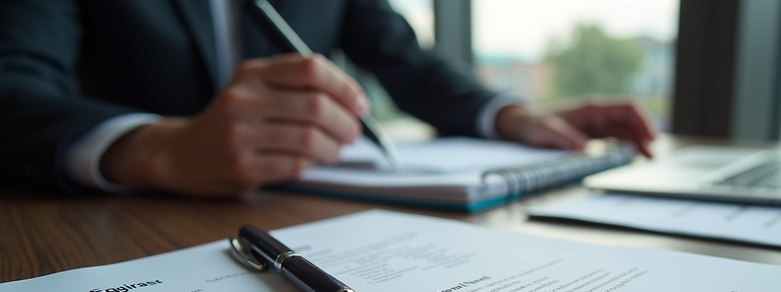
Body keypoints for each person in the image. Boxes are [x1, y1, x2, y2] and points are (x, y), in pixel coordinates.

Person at [0, 0, 655, 197]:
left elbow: (409, 61)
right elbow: (14, 80)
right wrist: (155, 147)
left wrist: (514, 114)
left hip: (306, 208)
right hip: (129, 226)